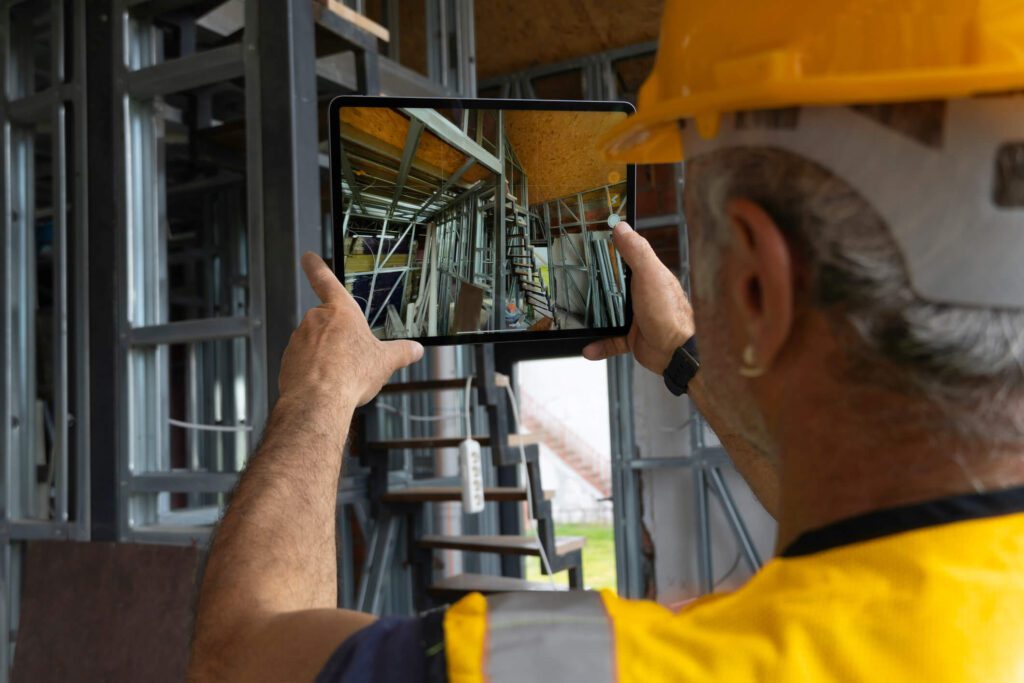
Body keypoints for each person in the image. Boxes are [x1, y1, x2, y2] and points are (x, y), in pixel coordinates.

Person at [189, 1, 1024, 680]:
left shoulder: (585, 669)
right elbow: (873, 509)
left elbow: (236, 658)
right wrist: (686, 356)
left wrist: (320, 395)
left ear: (760, 284)